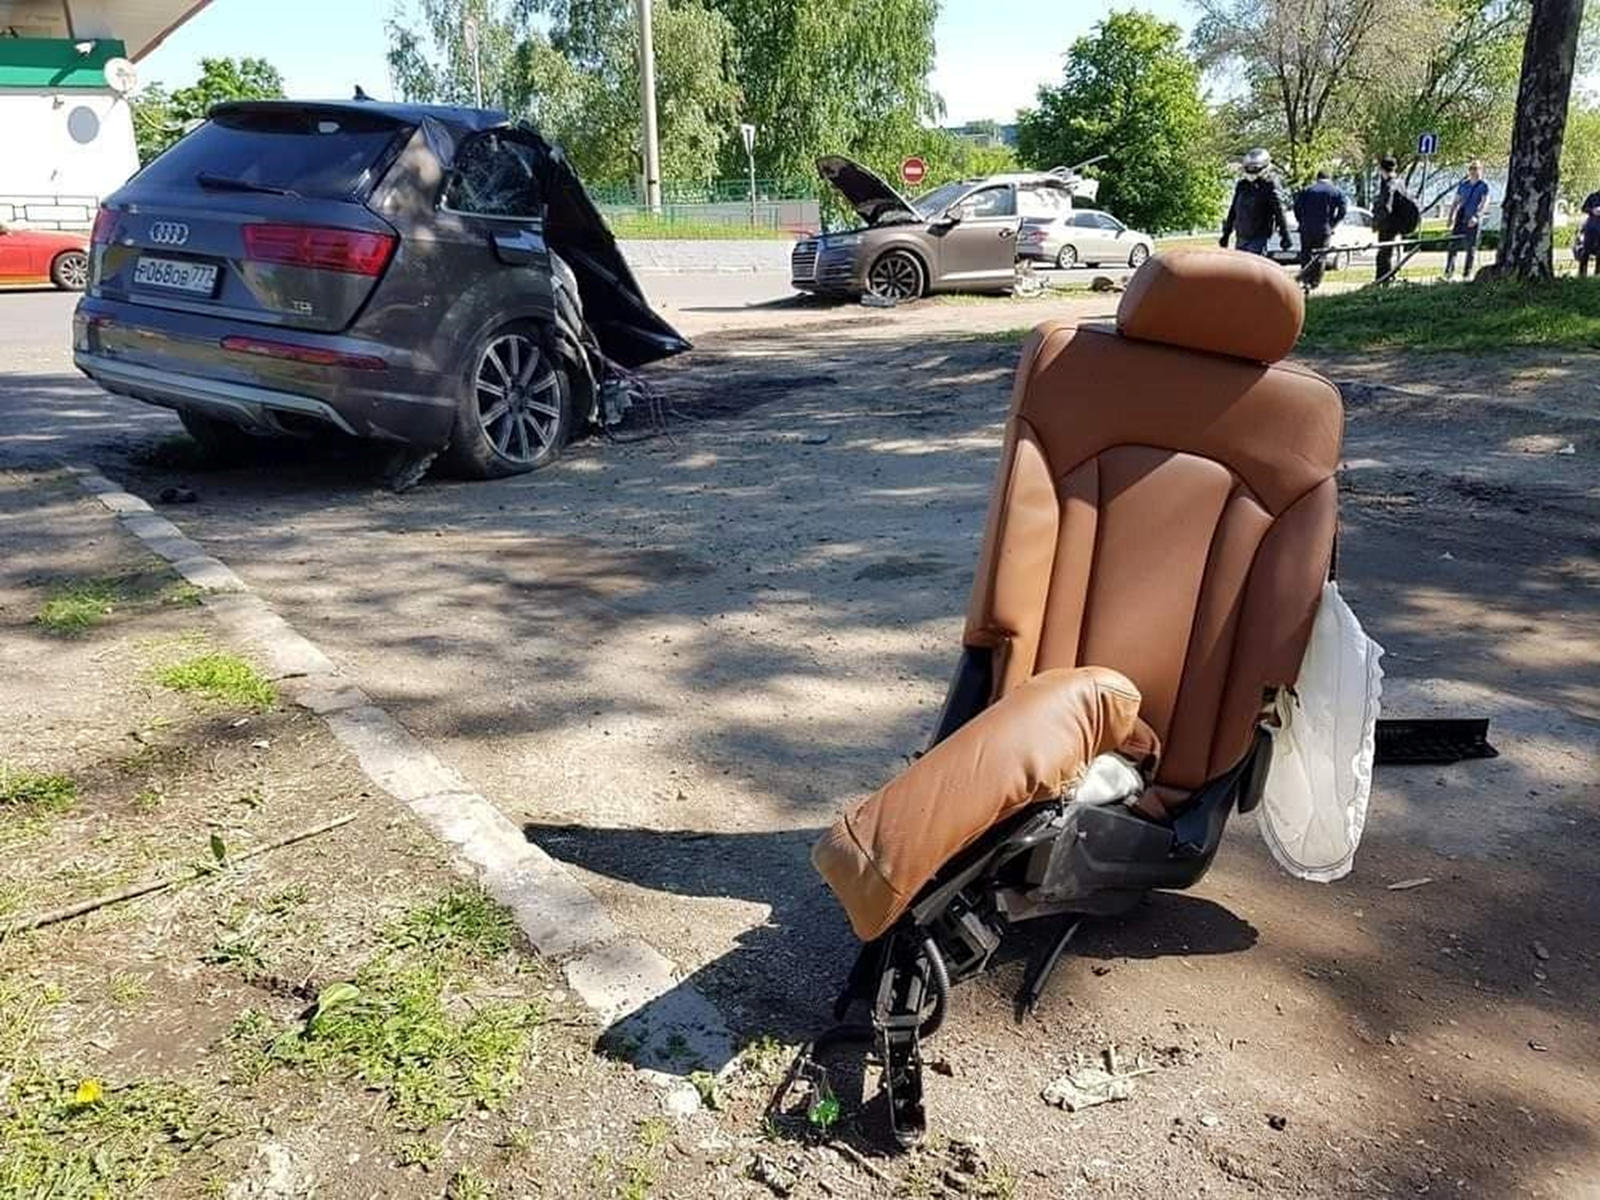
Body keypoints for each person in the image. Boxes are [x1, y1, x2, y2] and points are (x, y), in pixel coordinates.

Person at [1220, 148, 1291, 257]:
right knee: (1241, 265)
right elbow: (1233, 210)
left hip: (1259, 236)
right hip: (1242, 236)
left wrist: (1285, 235)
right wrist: (1226, 234)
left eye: (1254, 169)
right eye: (1249, 168)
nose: (1251, 172)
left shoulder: (1269, 186)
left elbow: (1279, 212)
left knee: (1253, 264)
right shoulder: (1242, 186)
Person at [1292, 169, 1347, 290]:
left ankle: (1305, 279)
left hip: (1306, 228)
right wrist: (1333, 223)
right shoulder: (1336, 191)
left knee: (1306, 254)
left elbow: (1296, 207)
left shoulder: (1307, 190)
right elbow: (1343, 211)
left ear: (1317, 178)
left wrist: (1301, 221)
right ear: (1329, 178)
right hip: (1324, 228)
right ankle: (1315, 282)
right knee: (1321, 256)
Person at [1371, 156, 1417, 284]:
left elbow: (1386, 207)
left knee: (1383, 254)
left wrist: (1376, 222)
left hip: (1388, 225)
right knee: (1388, 253)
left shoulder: (1388, 185)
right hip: (1397, 224)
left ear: (1382, 169)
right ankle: (1387, 278)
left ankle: (1382, 280)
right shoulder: (1400, 183)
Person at [1443, 160, 1491, 280]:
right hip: (1461, 217)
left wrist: (1477, 216)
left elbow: (1484, 202)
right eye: (1471, 169)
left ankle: (1467, 274)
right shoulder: (1463, 185)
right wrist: (1450, 217)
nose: (1474, 171)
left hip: (1473, 218)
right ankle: (1448, 273)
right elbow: (1456, 202)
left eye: (1476, 168)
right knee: (1453, 245)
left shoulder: (1483, 186)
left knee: (1471, 247)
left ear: (1481, 170)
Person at [1579, 188, 1600, 278]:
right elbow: (1584, 208)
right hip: (1591, 227)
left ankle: (1597, 275)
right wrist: (1592, 210)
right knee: (1586, 251)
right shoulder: (1593, 196)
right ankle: (1582, 275)